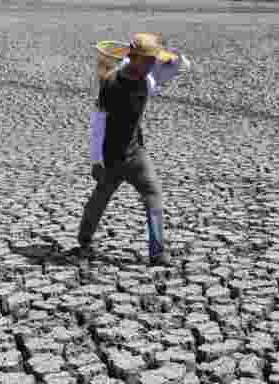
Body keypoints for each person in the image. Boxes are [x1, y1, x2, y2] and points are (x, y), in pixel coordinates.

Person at [73, 32, 191, 267]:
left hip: (136, 154)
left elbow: (183, 65)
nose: (150, 65)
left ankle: (157, 252)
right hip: (112, 158)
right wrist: (96, 161)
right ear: (133, 57)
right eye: (146, 60)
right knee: (100, 199)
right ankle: (84, 240)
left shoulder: (148, 78)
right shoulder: (111, 83)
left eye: (152, 61)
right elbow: (98, 123)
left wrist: (169, 56)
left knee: (154, 195)